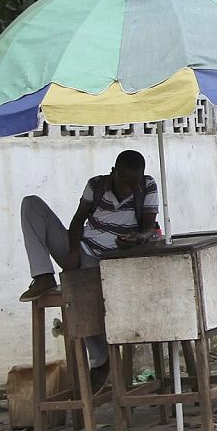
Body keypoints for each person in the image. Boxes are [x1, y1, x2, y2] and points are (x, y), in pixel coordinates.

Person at [19, 149, 160, 386]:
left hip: (114, 262)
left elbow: (148, 229)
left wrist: (137, 239)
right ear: (114, 172)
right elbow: (77, 221)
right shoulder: (96, 185)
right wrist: (74, 251)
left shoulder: (147, 187)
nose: (129, 188)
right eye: (124, 182)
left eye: (133, 184)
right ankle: (43, 276)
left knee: (81, 295)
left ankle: (100, 361)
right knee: (30, 204)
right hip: (81, 249)